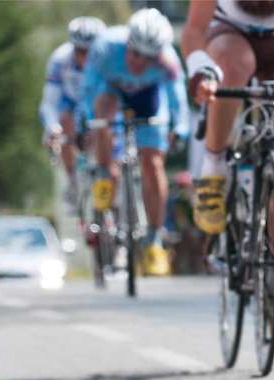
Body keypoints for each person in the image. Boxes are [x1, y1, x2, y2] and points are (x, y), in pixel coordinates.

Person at [182, 0, 274, 346]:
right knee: (232, 62)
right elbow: (194, 29)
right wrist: (200, 68)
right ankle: (214, 167)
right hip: (230, 38)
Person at [83, 8, 190, 278]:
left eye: (147, 57)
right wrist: (88, 122)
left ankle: (154, 239)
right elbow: (88, 87)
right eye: (134, 53)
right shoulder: (105, 47)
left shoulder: (168, 61)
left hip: (148, 98)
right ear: (127, 43)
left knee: (153, 164)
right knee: (102, 113)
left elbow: (177, 98)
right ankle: (107, 173)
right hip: (112, 93)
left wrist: (180, 128)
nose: (139, 61)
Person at [40, 17, 106, 204]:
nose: (84, 56)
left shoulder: (106, 61)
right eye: (80, 50)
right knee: (63, 121)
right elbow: (49, 102)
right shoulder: (60, 60)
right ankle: (72, 179)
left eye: (89, 51)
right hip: (69, 103)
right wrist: (52, 128)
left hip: (98, 104)